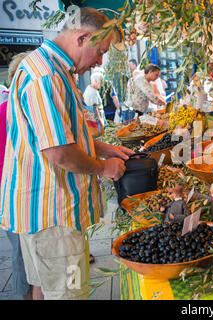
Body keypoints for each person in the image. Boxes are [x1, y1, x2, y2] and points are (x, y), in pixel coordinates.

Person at [0, 7, 134, 300]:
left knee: (42, 288)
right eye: (100, 51)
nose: (100, 61)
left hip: (43, 217)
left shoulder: (52, 69)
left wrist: (102, 147)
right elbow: (59, 152)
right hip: (53, 218)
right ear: (83, 37)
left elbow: (60, 133)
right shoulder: (46, 76)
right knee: (68, 293)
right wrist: (103, 168)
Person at [1, 51, 36, 300]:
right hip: (16, 189)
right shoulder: (19, 109)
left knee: (21, 250)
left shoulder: (9, 108)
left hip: (11, 191)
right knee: (22, 253)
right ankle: (26, 295)